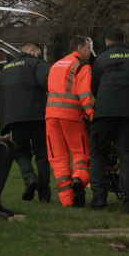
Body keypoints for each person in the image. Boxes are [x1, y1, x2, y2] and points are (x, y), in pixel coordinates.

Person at [89, 28, 129, 213]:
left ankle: (99, 199)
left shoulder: (100, 59)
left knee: (98, 154)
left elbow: (94, 88)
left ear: (107, 41)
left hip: (104, 113)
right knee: (128, 158)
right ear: (124, 39)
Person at [0, 42, 51, 202]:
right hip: (38, 116)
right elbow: (48, 83)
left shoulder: (5, 70)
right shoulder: (37, 63)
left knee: (20, 152)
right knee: (42, 154)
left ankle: (30, 179)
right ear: (31, 50)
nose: (39, 55)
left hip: (13, 119)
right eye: (38, 52)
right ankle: (45, 194)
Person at [45, 36, 95, 207]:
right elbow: (84, 94)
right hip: (72, 116)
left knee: (58, 159)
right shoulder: (82, 65)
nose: (90, 51)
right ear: (80, 48)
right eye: (88, 47)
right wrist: (92, 115)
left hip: (51, 116)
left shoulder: (56, 65)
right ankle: (79, 180)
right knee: (80, 154)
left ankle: (68, 202)